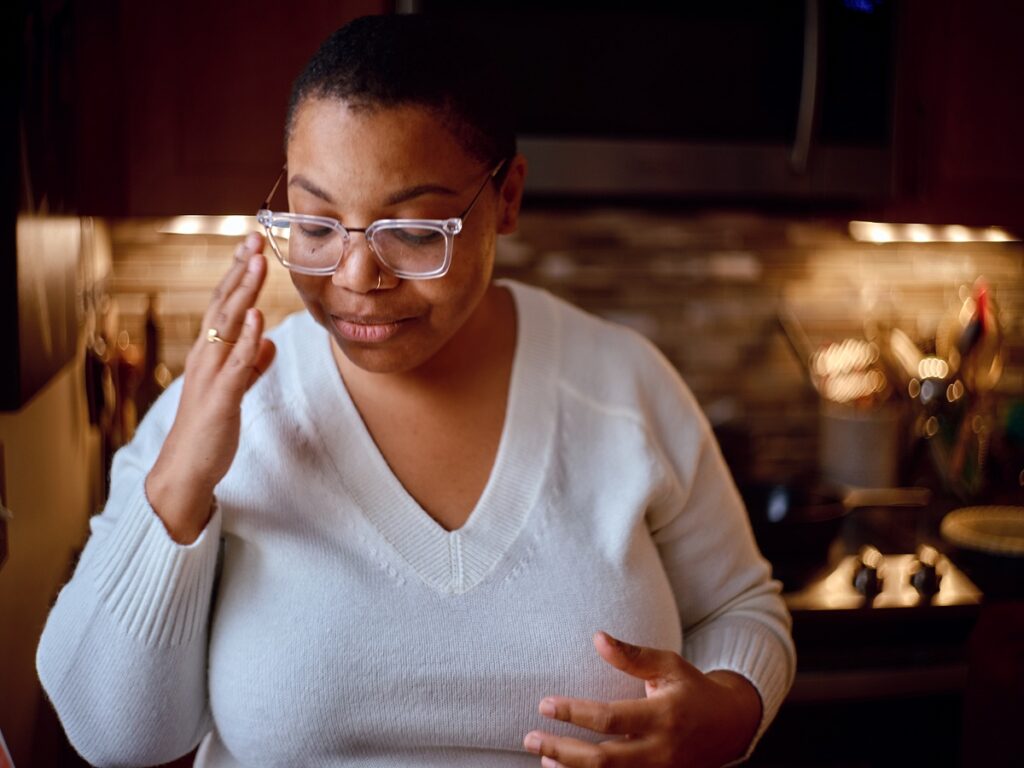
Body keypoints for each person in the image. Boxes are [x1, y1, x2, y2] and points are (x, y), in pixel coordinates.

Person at [37, 14, 795, 768]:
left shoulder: (622, 384)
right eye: (318, 224)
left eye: (414, 231)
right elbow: (115, 737)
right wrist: (180, 478)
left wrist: (729, 712)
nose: (357, 277)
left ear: (508, 198)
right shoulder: (222, 407)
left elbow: (741, 608)